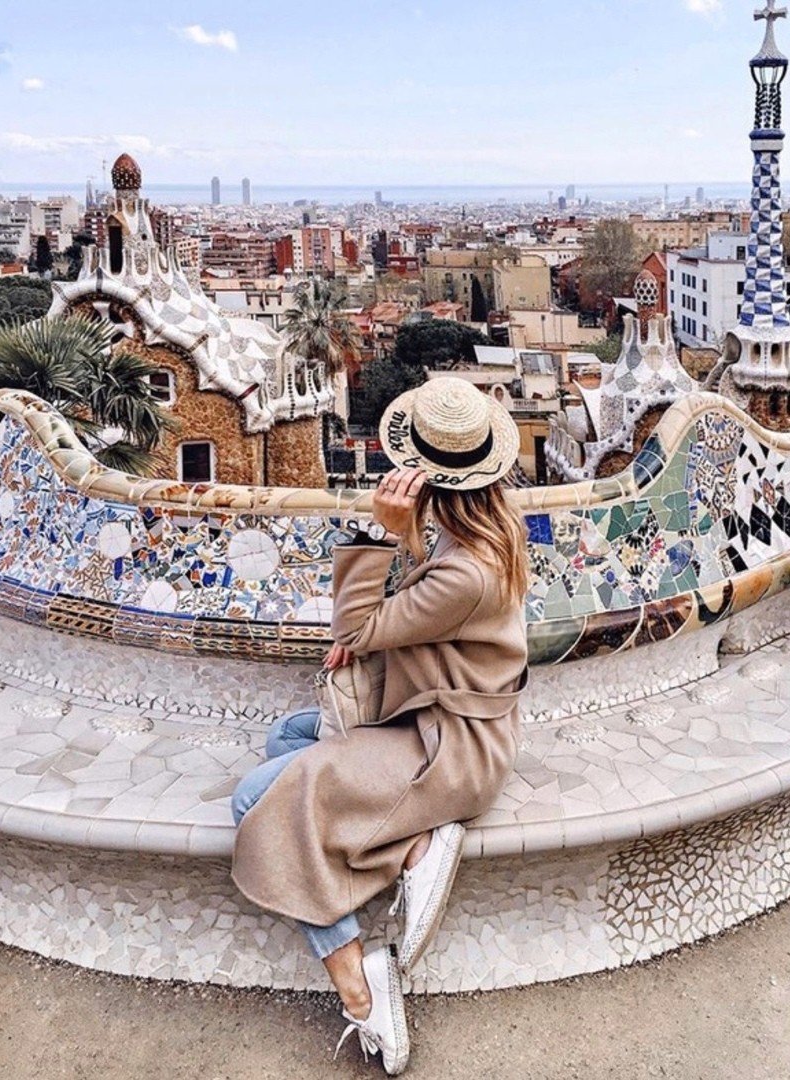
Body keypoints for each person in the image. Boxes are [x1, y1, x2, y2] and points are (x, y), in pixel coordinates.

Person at [231, 377, 530, 1075]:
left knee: (256, 798)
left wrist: (380, 534)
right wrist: (403, 561)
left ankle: (360, 985)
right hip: (432, 719)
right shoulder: (485, 529)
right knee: (288, 740)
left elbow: (357, 627)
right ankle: (412, 843)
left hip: (448, 749)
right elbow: (405, 614)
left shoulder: (468, 571)